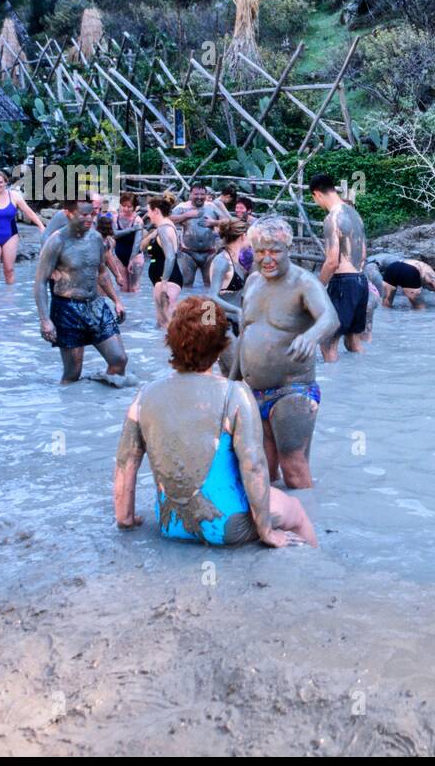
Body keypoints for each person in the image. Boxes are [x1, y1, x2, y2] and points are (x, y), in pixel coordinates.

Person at [113, 295, 317, 548]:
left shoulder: (144, 396)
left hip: (170, 523)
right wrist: (267, 531)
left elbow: (125, 463)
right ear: (221, 346)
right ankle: (322, 573)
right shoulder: (235, 394)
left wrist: (125, 518)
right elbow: (253, 466)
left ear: (172, 341)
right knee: (296, 509)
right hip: (225, 525)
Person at [233, 215, 338, 489]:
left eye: (275, 251)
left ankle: (308, 525)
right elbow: (244, 333)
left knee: (293, 465)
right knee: (262, 472)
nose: (267, 258)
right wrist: (231, 383)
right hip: (254, 392)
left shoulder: (303, 282)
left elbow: (330, 317)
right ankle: (273, 528)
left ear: (287, 249)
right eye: (260, 252)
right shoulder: (253, 281)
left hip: (293, 391)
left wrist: (311, 335)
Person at [33, 196, 129, 385]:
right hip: (67, 309)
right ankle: (71, 410)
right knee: (72, 374)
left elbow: (101, 273)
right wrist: (45, 320)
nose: (90, 219)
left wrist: (117, 301)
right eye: (83, 214)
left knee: (119, 360)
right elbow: (39, 283)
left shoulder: (96, 238)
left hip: (96, 305)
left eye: (92, 214)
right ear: (68, 214)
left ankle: (105, 404)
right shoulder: (56, 242)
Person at [311, 174, 368, 361]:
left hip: (343, 283)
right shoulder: (355, 213)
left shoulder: (332, 219)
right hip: (361, 280)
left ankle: (333, 388)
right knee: (353, 342)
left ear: (317, 194)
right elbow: (364, 252)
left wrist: (318, 287)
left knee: (327, 342)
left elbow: (332, 262)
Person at [0, 170, 44, 285]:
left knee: (9, 270)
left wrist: (41, 226)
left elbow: (28, 212)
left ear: (6, 182)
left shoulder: (15, 196)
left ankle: (10, 300)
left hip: (11, 236)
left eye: (0, 182)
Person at [208, 218, 250, 375]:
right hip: (222, 324)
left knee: (231, 374)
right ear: (243, 236)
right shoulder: (222, 261)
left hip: (234, 324)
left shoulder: (236, 259)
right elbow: (211, 297)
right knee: (237, 373)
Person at [170, 184, 228, 287]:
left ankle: (208, 304)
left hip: (209, 253)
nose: (199, 197)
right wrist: (186, 215)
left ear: (206, 195)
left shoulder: (211, 206)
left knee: (210, 285)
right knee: (186, 284)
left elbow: (227, 221)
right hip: (188, 253)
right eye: (196, 194)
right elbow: (168, 219)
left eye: (202, 194)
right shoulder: (183, 207)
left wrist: (213, 222)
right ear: (190, 195)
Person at [143, 196, 184, 329]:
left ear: (156, 211)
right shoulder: (163, 228)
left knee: (167, 324)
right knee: (161, 323)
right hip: (164, 279)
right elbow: (141, 246)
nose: (147, 214)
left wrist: (165, 282)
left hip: (168, 280)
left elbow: (171, 257)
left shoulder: (164, 229)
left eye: (148, 211)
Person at [370, 252, 435, 309]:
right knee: (421, 310)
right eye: (432, 290)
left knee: (386, 307)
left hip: (393, 267)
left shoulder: (423, 268)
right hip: (409, 270)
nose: (430, 290)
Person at [111, 192, 145, 292]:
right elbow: (114, 234)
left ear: (134, 207)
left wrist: (131, 260)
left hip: (135, 256)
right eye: (123, 206)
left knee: (134, 289)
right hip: (120, 256)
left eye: (129, 207)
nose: (126, 209)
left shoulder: (138, 221)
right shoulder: (115, 218)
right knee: (123, 288)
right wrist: (131, 229)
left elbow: (137, 243)